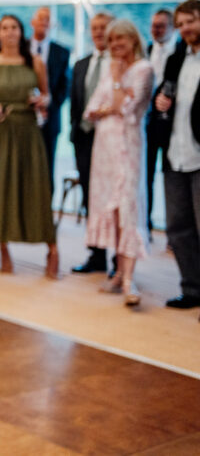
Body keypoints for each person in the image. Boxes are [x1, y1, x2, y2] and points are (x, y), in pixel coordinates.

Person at [0, 14, 57, 277]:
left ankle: (52, 249)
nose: (10, 32)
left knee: (36, 187)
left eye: (14, 28)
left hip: (27, 130)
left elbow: (47, 94)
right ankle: (4, 248)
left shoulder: (36, 62)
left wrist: (42, 101)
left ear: (22, 32)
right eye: (5, 28)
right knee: (2, 187)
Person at [83, 19, 154, 306]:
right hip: (104, 149)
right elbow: (92, 110)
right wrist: (110, 101)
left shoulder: (143, 70)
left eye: (120, 40)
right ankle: (118, 272)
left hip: (128, 146)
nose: (114, 46)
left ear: (133, 40)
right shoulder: (112, 71)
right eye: (111, 41)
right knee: (110, 209)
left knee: (128, 207)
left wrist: (114, 86)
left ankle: (128, 279)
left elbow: (125, 107)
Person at [153, 0, 200, 312]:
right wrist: (160, 104)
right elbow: (165, 94)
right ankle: (192, 289)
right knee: (178, 226)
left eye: (191, 22)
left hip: (199, 155)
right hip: (175, 154)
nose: (185, 29)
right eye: (181, 23)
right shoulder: (176, 58)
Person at [70, 12, 114, 274]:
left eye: (103, 28)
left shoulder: (120, 63)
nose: (98, 32)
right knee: (90, 196)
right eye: (94, 28)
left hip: (111, 139)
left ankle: (119, 261)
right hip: (84, 139)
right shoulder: (81, 64)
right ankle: (97, 255)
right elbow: (76, 102)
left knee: (111, 198)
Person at [29, 6, 71, 186]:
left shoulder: (61, 52)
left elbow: (64, 87)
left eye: (48, 19)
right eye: (41, 18)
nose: (44, 23)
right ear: (32, 22)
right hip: (24, 116)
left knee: (47, 167)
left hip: (50, 119)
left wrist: (48, 104)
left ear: (52, 25)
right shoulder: (22, 48)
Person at [145, 9, 177, 234]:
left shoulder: (180, 52)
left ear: (172, 27)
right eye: (154, 25)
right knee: (145, 177)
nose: (157, 29)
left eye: (162, 25)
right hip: (147, 124)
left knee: (171, 178)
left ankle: (171, 228)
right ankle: (144, 224)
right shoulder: (146, 50)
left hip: (170, 126)